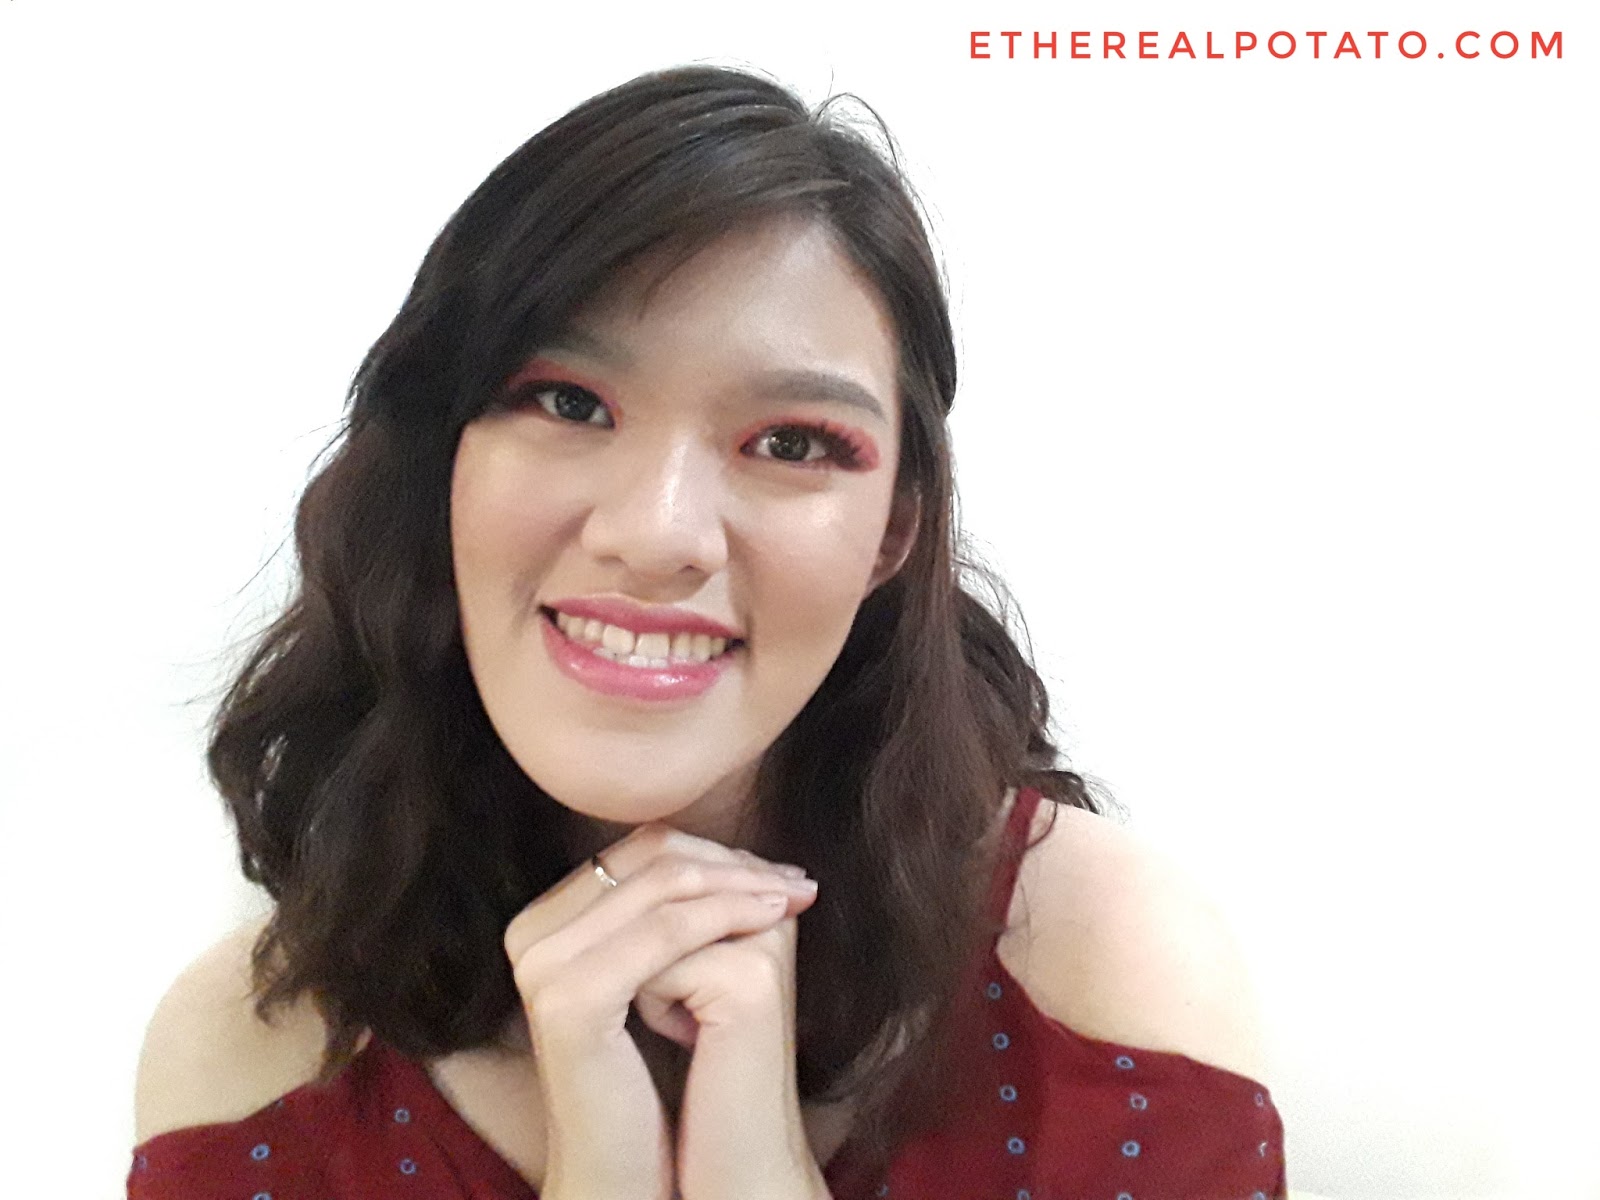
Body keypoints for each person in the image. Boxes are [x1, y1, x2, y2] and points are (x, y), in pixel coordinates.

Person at [128, 64, 1288, 1200]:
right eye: (568, 402)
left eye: (791, 443)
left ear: (891, 533)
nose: (659, 535)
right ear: (440, 467)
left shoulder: (1105, 972)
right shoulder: (248, 1063)